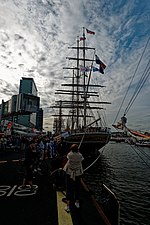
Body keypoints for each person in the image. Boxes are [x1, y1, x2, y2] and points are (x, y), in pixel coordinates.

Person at [63, 144, 84, 212]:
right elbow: (82, 159)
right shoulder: (80, 155)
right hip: (77, 173)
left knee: (69, 188)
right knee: (77, 187)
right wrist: (78, 152)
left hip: (69, 173)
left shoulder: (69, 155)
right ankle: (77, 202)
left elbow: (68, 156)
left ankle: (68, 205)